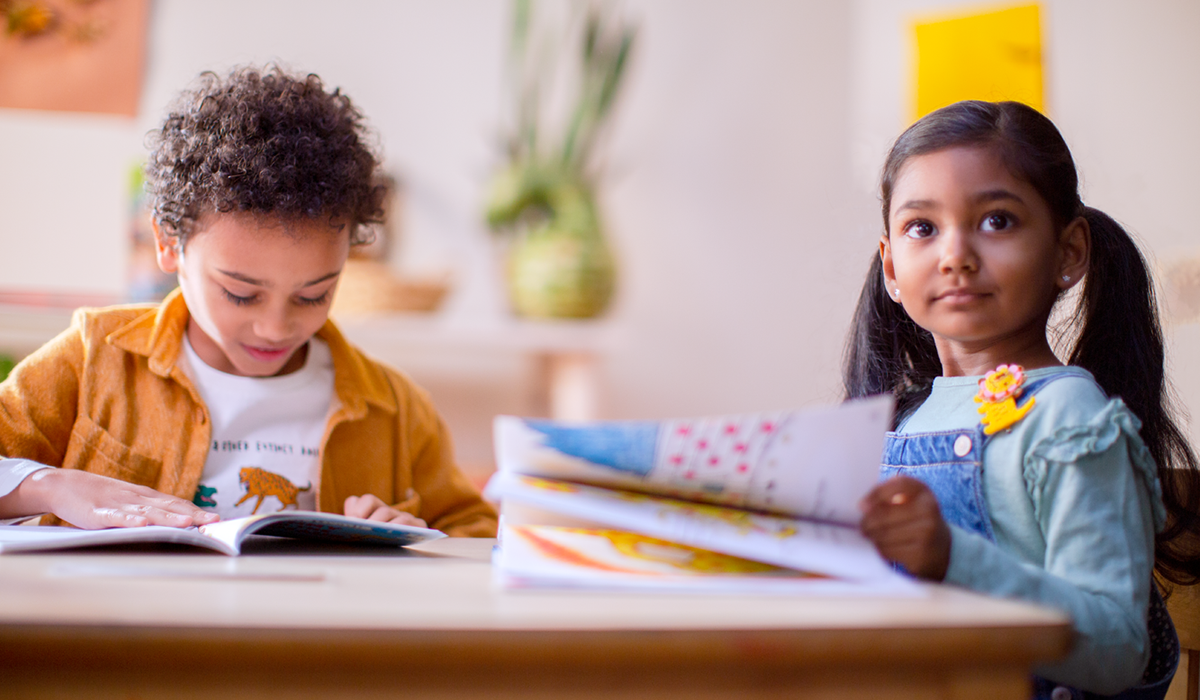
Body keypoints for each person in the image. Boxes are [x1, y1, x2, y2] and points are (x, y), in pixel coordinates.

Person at [0, 66, 497, 537]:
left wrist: (421, 542)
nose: (276, 327)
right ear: (169, 243)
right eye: (240, 294)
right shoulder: (93, 359)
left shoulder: (394, 409)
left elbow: (477, 538)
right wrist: (48, 485)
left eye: (314, 294)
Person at [845, 100, 1200, 698]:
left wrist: (953, 557)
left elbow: (1117, 650)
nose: (954, 254)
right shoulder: (900, 421)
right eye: (922, 228)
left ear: (1068, 253)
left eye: (997, 221)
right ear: (891, 269)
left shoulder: (1072, 422)